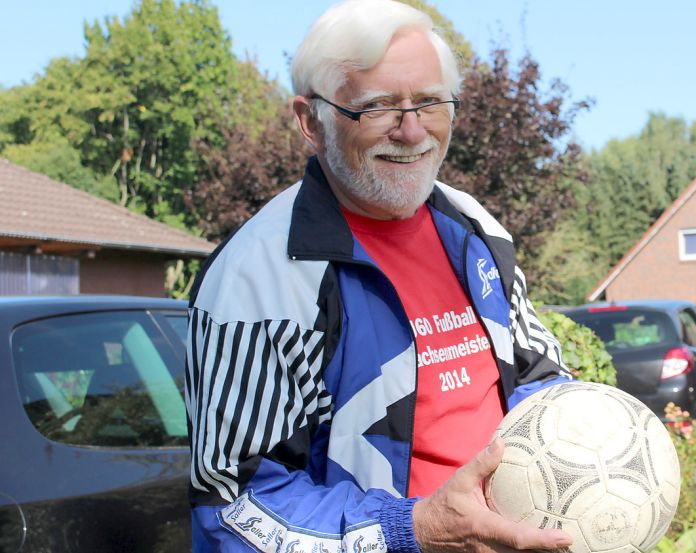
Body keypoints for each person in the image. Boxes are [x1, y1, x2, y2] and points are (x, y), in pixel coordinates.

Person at [185, 1, 574, 551]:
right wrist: (416, 530)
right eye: (378, 107)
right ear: (309, 120)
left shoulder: (476, 229)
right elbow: (234, 507)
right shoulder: (258, 281)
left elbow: (536, 376)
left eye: (430, 102)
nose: (413, 131)